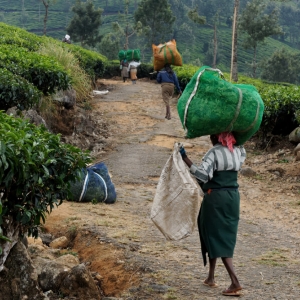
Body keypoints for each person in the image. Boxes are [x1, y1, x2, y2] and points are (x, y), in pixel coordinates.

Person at [180, 132, 246, 297]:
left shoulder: (214, 152)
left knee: (217, 236)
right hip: (233, 198)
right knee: (218, 234)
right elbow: (240, 162)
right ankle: (210, 276)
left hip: (216, 198)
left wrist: (185, 158)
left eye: (212, 135)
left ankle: (235, 281)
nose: (210, 138)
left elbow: (203, 175)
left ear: (216, 137)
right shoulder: (238, 150)